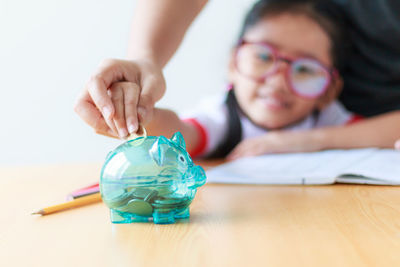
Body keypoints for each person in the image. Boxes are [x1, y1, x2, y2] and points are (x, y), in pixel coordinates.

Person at [74, 0, 400, 155]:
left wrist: (301, 142)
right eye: (263, 57)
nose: (278, 80)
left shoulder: (330, 118)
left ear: (331, 88)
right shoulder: (223, 119)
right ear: (233, 62)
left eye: (304, 69)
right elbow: (180, 133)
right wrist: (132, 112)